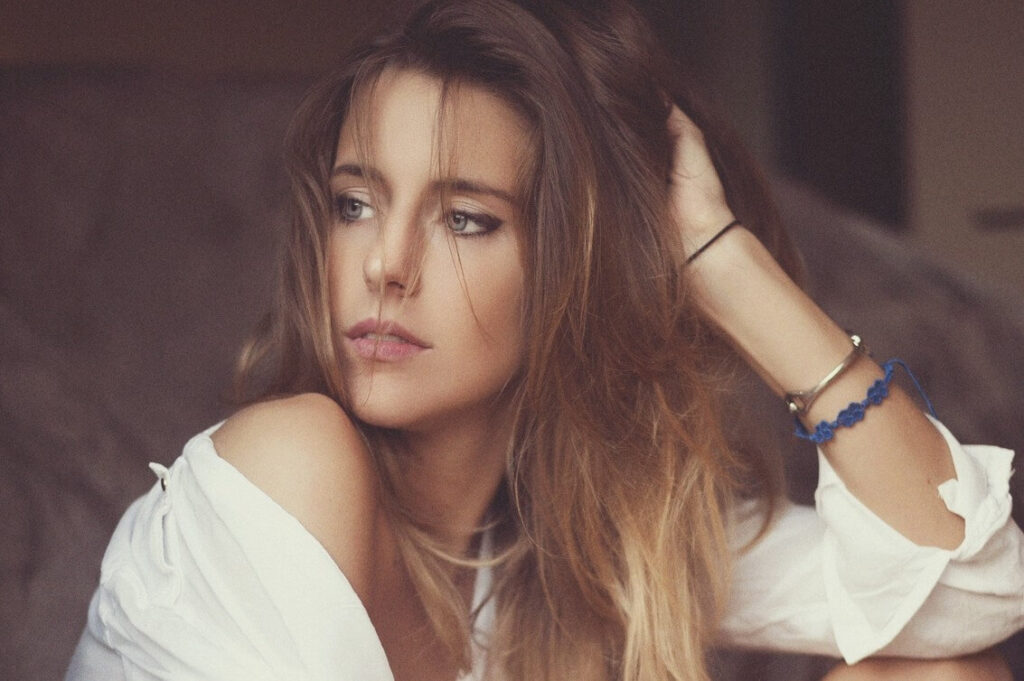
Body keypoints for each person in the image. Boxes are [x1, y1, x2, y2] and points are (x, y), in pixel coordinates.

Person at [65, 1, 1023, 680]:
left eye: (465, 219)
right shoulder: (290, 461)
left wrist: (718, 257)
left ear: (576, 268)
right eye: (356, 203)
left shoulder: (583, 553)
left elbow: (967, 594)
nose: (384, 263)